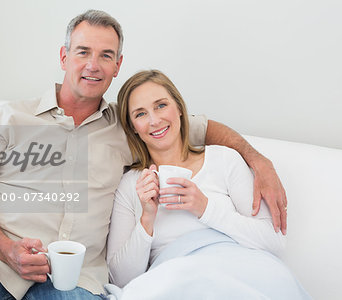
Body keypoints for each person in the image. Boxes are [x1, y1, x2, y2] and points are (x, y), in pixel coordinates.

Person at [0, 10, 286, 300]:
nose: (93, 65)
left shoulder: (131, 123)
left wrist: (258, 160)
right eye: (83, 52)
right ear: (64, 56)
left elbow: (198, 128)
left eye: (106, 55)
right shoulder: (7, 118)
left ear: (118, 65)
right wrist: (7, 249)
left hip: (75, 277)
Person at [106, 70, 309, 299]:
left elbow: (274, 242)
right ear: (133, 126)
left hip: (241, 270)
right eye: (141, 114)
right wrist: (147, 219)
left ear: (180, 109)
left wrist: (205, 208)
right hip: (176, 279)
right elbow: (120, 279)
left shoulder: (224, 160)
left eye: (161, 105)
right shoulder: (132, 185)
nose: (154, 120)